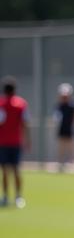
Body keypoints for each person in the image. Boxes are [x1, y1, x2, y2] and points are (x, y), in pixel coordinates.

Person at [0, 77, 30, 208]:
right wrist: (28, 139)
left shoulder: (1, 104)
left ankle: (6, 196)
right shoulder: (21, 104)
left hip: (3, 142)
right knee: (16, 169)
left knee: (5, 170)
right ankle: (18, 196)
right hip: (16, 141)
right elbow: (25, 123)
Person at [54, 83, 74, 171]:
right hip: (61, 129)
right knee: (61, 147)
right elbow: (56, 117)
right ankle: (60, 164)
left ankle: (73, 165)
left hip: (70, 129)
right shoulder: (59, 106)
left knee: (71, 147)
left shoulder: (73, 105)